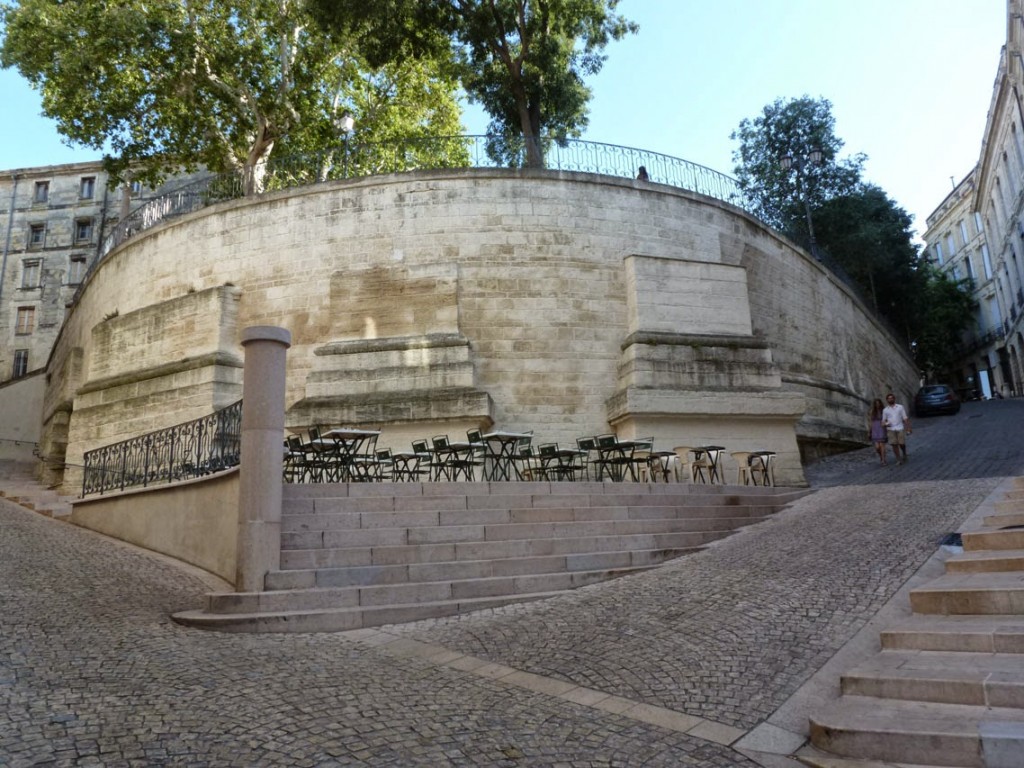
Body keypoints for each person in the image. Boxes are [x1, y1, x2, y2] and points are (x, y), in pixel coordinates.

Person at [882, 392, 912, 464]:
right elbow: (883, 421)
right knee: (894, 444)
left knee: (901, 443)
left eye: (891, 398)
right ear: (887, 400)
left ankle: (904, 452)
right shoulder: (885, 410)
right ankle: (898, 459)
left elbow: (905, 418)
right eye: (889, 399)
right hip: (890, 429)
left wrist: (908, 428)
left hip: (900, 427)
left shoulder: (900, 407)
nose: (890, 399)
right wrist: (885, 424)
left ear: (894, 399)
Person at [867, 398, 887, 465]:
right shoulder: (872, 411)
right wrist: (869, 431)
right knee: (877, 447)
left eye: (878, 403)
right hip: (874, 429)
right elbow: (870, 422)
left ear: (880, 403)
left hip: (882, 429)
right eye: (876, 403)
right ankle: (881, 456)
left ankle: (883, 461)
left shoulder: (884, 411)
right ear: (874, 404)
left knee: (882, 445)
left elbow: (887, 420)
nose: (877, 405)